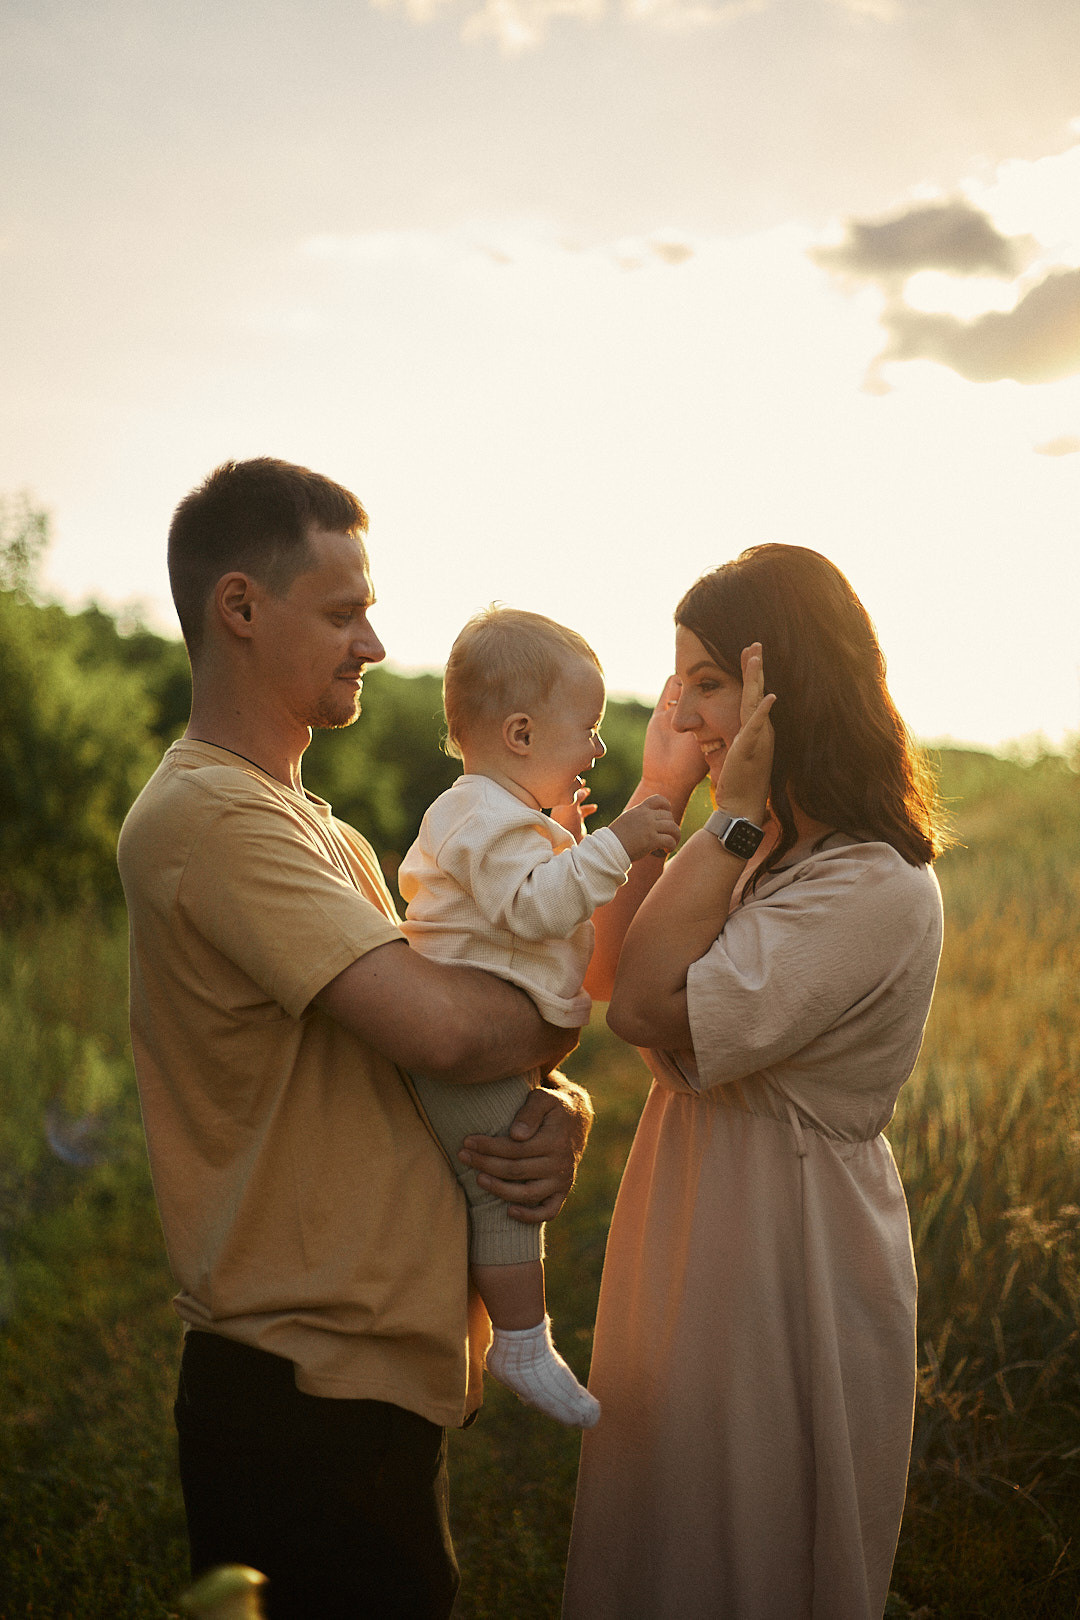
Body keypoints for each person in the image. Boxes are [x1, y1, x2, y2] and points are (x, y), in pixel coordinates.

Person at [117, 457, 593, 1620]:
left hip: (363, 1375)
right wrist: (556, 1026)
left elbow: (425, 1048)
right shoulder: (210, 816)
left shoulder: (314, 824)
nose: (374, 644)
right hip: (297, 1390)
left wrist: (560, 1105)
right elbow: (436, 1024)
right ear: (239, 607)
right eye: (343, 611)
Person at [562, 544, 947, 1620]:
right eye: (678, 683)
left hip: (789, 1256)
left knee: (750, 1542)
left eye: (709, 682)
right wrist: (657, 795)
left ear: (791, 685)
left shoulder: (872, 882)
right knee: (660, 1529)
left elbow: (642, 1009)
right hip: (690, 1218)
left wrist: (721, 819)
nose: (684, 710)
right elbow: (607, 969)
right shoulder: (759, 849)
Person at [398, 607, 680, 1429]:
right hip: (461, 1055)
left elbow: (549, 901)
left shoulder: (505, 817)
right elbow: (530, 908)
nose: (597, 746)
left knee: (505, 1168)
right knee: (503, 1187)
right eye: (586, 729)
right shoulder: (473, 815)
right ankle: (520, 1342)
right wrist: (615, 846)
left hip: (500, 1036)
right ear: (520, 733)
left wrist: (571, 836)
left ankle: (504, 1337)